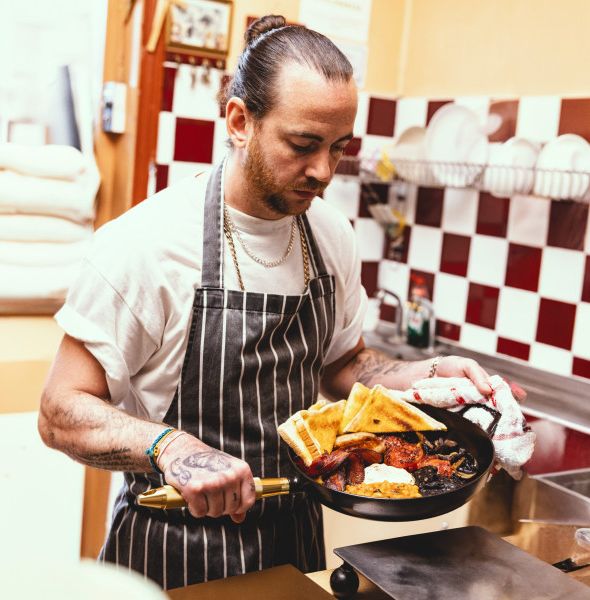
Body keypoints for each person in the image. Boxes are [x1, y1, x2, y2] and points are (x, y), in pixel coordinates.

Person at [38, 14, 496, 590]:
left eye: (338, 148)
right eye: (303, 145)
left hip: (293, 545)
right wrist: (170, 446)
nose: (323, 171)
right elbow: (59, 412)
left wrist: (425, 374)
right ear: (239, 121)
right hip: (172, 552)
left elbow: (343, 365)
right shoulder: (146, 244)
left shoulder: (331, 235)